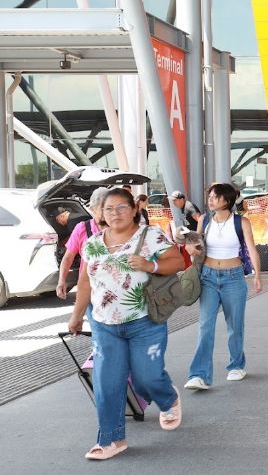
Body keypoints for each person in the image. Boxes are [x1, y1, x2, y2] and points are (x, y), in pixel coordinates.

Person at [66, 189, 185, 460]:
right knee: (107, 382)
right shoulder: (93, 243)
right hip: (104, 325)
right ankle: (111, 439)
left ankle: (167, 398)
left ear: (134, 210)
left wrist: (149, 264)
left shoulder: (150, 236)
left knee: (148, 377)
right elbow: (86, 281)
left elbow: (176, 261)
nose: (115, 213)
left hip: (144, 322)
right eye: (109, 209)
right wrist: (76, 315)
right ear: (101, 213)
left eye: (121, 207)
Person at [184, 183, 262, 391]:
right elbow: (197, 246)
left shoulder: (241, 222)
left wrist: (257, 276)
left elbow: (252, 250)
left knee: (235, 325)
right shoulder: (204, 220)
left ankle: (236, 365)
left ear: (227, 200)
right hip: (208, 276)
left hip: (234, 277)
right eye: (210, 196)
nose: (211, 199)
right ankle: (199, 375)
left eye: (216, 197)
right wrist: (190, 245)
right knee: (205, 325)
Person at [56, 188, 109, 300]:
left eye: (109, 208)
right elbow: (68, 257)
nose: (106, 212)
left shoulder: (120, 227)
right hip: (89, 289)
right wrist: (61, 281)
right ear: (92, 209)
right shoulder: (82, 228)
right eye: (102, 208)